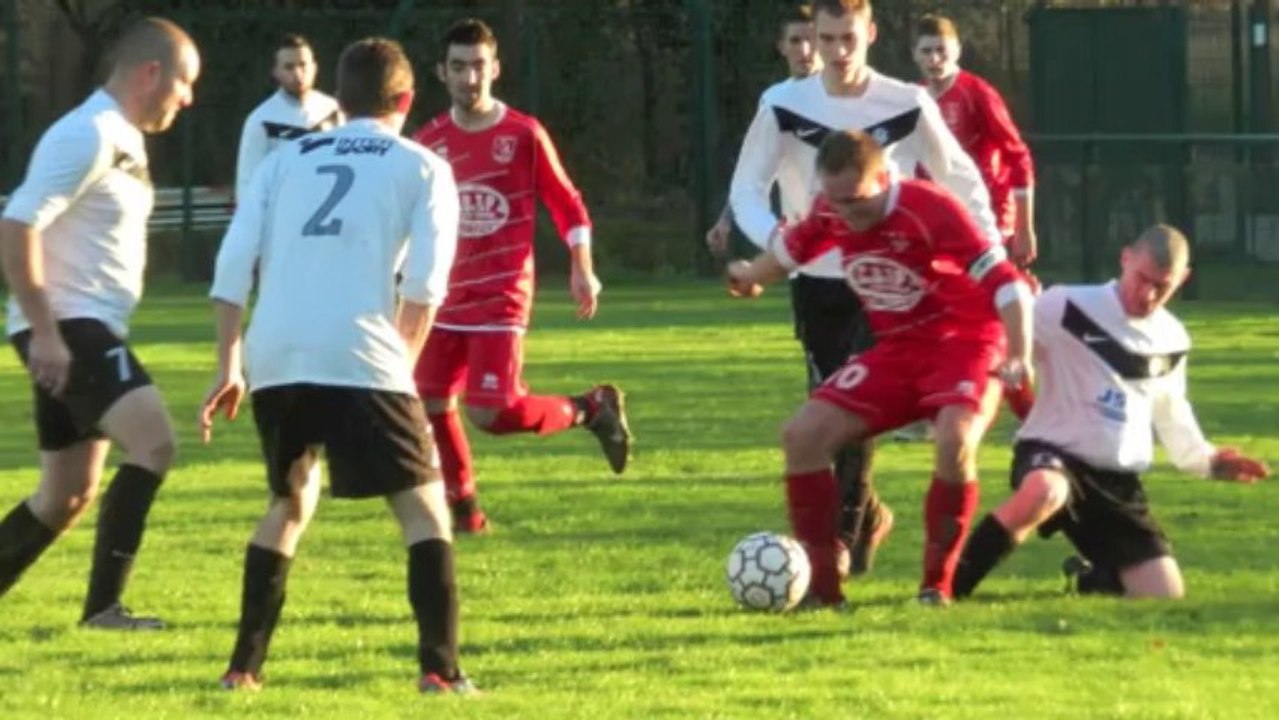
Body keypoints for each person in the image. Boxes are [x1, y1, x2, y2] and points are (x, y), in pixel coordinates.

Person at [201, 37, 474, 693]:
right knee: (425, 514)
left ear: (338, 100)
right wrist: (398, 369)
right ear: (407, 100)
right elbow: (425, 288)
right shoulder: (422, 166)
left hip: (276, 353)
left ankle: (243, 669)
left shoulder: (284, 160)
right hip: (363, 352)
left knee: (287, 503)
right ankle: (440, 672)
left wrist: (229, 362)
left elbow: (233, 265)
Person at [726, 0, 1006, 577]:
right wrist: (777, 240)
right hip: (816, 276)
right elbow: (747, 189)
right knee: (834, 406)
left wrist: (992, 251)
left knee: (861, 406)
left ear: (870, 33)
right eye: (826, 39)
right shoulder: (784, 104)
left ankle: (845, 543)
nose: (837, 51)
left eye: (848, 37)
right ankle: (868, 515)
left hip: (896, 282)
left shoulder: (905, 101)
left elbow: (959, 176)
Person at [727, 130, 1034, 606]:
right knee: (801, 436)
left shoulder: (930, 209)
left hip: (964, 341)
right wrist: (749, 276)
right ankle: (824, 594)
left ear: (885, 178)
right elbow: (789, 253)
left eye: (856, 201)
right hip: (898, 348)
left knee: (954, 440)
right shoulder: (831, 209)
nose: (846, 214)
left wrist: (1018, 354)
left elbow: (1007, 286)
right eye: (835, 201)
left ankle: (936, 586)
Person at [0, 17, 199, 629]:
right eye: (184, 84)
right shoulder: (86, 133)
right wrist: (48, 332)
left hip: (81, 327)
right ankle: (104, 610)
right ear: (151, 73)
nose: (187, 99)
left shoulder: (124, 137)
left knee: (65, 495)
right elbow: (17, 224)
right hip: (71, 327)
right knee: (155, 443)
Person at [952, 226, 1269, 600]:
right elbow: (1001, 332)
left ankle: (1093, 579)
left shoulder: (1172, 338)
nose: (1147, 294)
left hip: (1116, 481)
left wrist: (1211, 462)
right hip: (1053, 453)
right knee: (1044, 491)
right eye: (1142, 279)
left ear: (1183, 280)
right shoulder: (1065, 306)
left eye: (1162, 287)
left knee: (1164, 595)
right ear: (1125, 259)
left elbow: (1173, 415)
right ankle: (948, 585)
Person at [410, 18, 632, 534]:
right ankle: (465, 512)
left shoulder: (522, 134)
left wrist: (583, 268)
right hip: (442, 297)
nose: (470, 78)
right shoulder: (428, 143)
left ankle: (589, 408)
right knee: (433, 401)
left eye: (479, 66)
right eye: (459, 67)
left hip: (501, 295)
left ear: (496, 68)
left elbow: (568, 204)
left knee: (491, 413)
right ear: (442, 72)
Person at [895, 14, 1040, 442]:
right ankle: (931, 410)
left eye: (942, 50)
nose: (935, 59)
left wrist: (1024, 225)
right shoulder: (915, 99)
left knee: (995, 317)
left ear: (956, 51)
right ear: (914, 56)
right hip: (939, 223)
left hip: (985, 218)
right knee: (935, 312)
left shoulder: (977, 94)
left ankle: (1032, 415)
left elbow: (1017, 155)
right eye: (926, 51)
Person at [704, 4, 822, 257]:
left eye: (812, 40)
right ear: (782, 46)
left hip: (846, 237)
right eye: (796, 40)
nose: (805, 50)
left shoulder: (843, 96)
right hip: (799, 239)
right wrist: (726, 219)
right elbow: (754, 171)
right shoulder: (773, 101)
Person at [235, 34, 341, 202]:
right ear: (275, 72)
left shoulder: (334, 110)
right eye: (289, 67)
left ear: (314, 67)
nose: (298, 74)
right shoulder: (261, 121)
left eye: (303, 65)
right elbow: (248, 183)